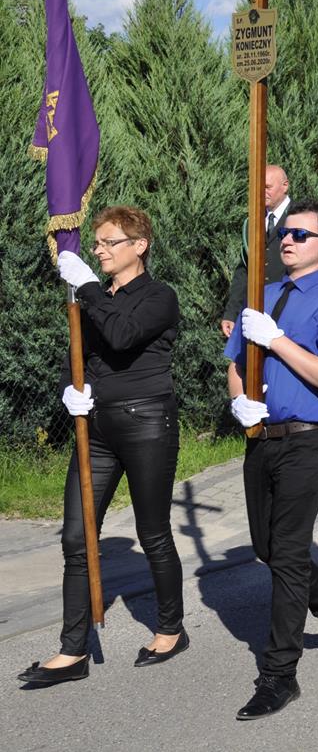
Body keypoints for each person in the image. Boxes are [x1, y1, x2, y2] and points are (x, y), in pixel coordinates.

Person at [19, 207, 185, 687]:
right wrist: (72, 390)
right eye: (97, 243)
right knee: (76, 538)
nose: (99, 249)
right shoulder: (95, 298)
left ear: (140, 245)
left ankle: (171, 628)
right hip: (97, 429)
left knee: (151, 532)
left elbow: (122, 333)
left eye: (110, 242)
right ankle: (73, 650)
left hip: (148, 423)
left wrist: (88, 287)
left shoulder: (160, 297)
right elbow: (86, 356)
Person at [224, 199, 318, 720]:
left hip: (306, 441)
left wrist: (279, 341)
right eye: (285, 233)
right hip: (260, 437)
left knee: (286, 554)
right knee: (267, 547)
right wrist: (238, 399)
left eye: (301, 235)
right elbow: (236, 363)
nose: (287, 240)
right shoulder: (260, 297)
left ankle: (279, 674)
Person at [221, 164, 291, 338]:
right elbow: (244, 269)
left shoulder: (302, 216)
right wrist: (231, 312)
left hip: (289, 311)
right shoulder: (253, 222)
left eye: (267, 187)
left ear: (285, 186)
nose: (262, 192)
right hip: (254, 312)